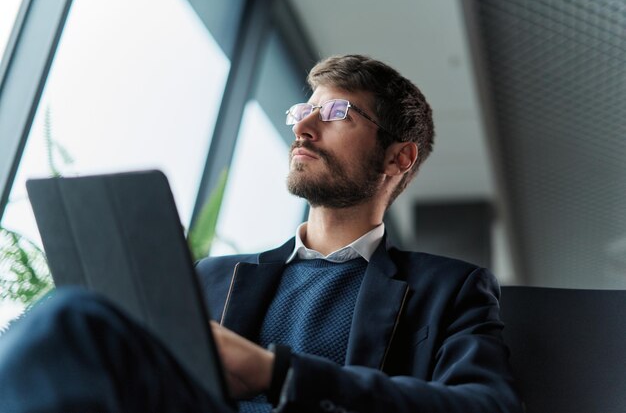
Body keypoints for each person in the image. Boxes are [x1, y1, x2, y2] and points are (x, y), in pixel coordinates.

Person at [0, 54, 522, 413]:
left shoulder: (450, 289)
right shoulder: (211, 277)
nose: (303, 127)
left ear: (398, 157)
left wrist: (278, 374)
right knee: (64, 313)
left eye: (336, 112)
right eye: (304, 111)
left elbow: (487, 406)